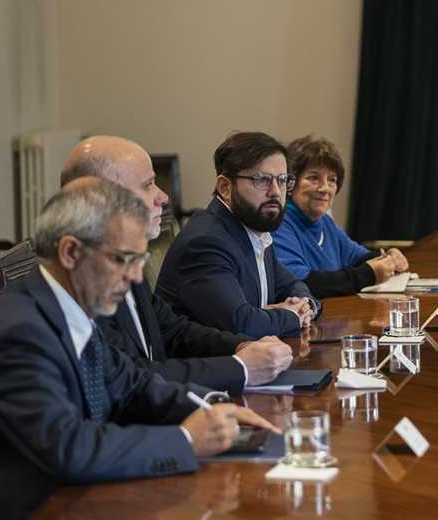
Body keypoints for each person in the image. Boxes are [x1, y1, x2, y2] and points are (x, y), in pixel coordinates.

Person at [0, 179, 278, 520]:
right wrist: (185, 440)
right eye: (125, 259)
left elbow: (133, 385)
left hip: (65, 512)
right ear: (71, 253)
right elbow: (70, 449)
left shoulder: (69, 307)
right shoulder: (19, 333)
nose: (137, 276)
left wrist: (209, 407)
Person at [61, 136, 292, 394]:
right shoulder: (81, 283)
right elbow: (131, 376)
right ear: (101, 199)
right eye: (148, 185)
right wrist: (241, 367)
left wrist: (242, 347)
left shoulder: (123, 263)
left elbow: (173, 331)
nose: (163, 197)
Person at [156, 131, 320, 338]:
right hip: (212, 366)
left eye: (282, 180)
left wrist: (306, 305)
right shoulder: (205, 242)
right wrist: (292, 316)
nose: (276, 192)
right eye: (261, 180)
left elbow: (292, 285)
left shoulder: (255, 230)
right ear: (225, 187)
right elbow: (242, 324)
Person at [272, 135, 408, 297]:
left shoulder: (325, 223)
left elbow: (360, 258)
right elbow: (301, 284)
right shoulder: (279, 223)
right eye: (313, 178)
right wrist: (368, 275)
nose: (325, 188)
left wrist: (389, 257)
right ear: (290, 183)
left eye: (332, 180)